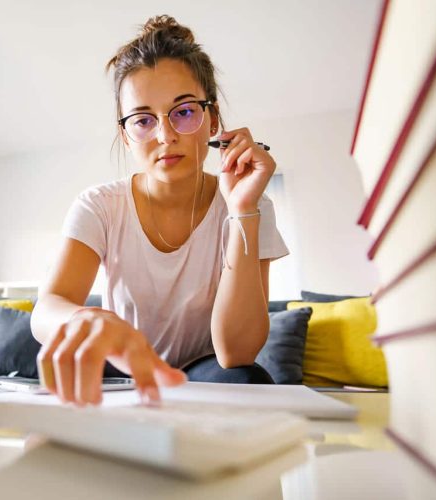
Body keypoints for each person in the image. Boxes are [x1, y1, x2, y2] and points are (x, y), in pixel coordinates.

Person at [30, 15, 289, 406]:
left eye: (184, 112)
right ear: (125, 133)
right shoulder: (100, 206)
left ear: (212, 119)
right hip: (122, 368)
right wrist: (84, 318)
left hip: (205, 371)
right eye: (143, 120)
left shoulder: (251, 204)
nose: (165, 136)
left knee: (246, 378)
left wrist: (242, 212)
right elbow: (45, 312)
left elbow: (236, 353)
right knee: (58, 377)